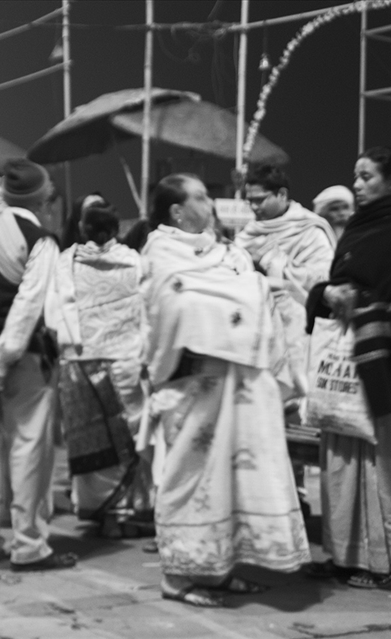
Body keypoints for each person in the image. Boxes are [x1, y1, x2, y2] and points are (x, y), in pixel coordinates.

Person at [141, 173, 311, 607]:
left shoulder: (228, 253)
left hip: (242, 387)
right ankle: (179, 577)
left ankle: (220, 570)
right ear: (177, 210)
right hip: (192, 387)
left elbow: (254, 293)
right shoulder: (162, 254)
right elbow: (172, 306)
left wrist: (232, 303)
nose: (210, 202)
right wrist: (234, 304)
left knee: (234, 479)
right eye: (199, 196)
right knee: (191, 480)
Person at [0, 158, 76, 572]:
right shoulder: (39, 238)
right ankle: (28, 545)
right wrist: (2, 361)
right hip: (23, 359)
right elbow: (28, 308)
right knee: (30, 448)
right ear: (40, 197)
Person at [305, 146, 391, 590]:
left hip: (380, 366)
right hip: (345, 367)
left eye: (367, 177)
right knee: (341, 463)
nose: (358, 185)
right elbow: (337, 282)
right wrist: (328, 293)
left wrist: (358, 300)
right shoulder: (361, 227)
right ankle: (343, 555)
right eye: (355, 176)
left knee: (379, 466)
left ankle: (382, 562)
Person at [46, 202, 153, 540]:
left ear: (81, 227)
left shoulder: (65, 262)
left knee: (92, 440)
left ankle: (100, 510)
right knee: (129, 439)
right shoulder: (137, 262)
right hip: (126, 362)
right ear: (116, 229)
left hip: (81, 365)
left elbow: (53, 316)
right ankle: (130, 509)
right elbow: (150, 312)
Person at [236, 164, 336, 512]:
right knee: (263, 416)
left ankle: (301, 497)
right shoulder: (249, 232)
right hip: (260, 333)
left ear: (282, 195)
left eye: (261, 200)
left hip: (298, 333)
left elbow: (324, 279)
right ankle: (273, 498)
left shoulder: (310, 230)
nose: (255, 208)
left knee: (297, 414)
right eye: (250, 201)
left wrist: (276, 267)